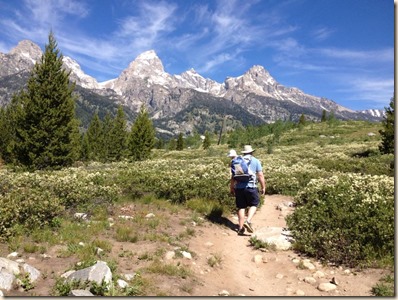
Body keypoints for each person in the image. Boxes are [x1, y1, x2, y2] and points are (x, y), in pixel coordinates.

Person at [229, 145, 266, 235]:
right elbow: (260, 175)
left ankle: (241, 228)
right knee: (254, 204)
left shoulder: (237, 161)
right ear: (252, 152)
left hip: (239, 188)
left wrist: (232, 187)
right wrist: (263, 187)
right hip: (251, 187)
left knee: (241, 207)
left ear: (244, 153)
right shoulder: (255, 161)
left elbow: (233, 176)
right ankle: (248, 221)